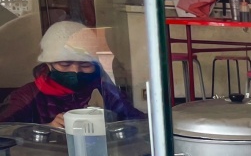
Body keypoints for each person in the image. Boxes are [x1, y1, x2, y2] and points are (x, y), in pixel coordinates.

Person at [0, 20, 146, 127]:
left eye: (85, 64)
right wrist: (47, 129)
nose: (75, 71)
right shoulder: (27, 96)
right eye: (65, 64)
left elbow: (138, 123)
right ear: (49, 64)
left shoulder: (104, 90)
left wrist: (112, 122)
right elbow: (4, 132)